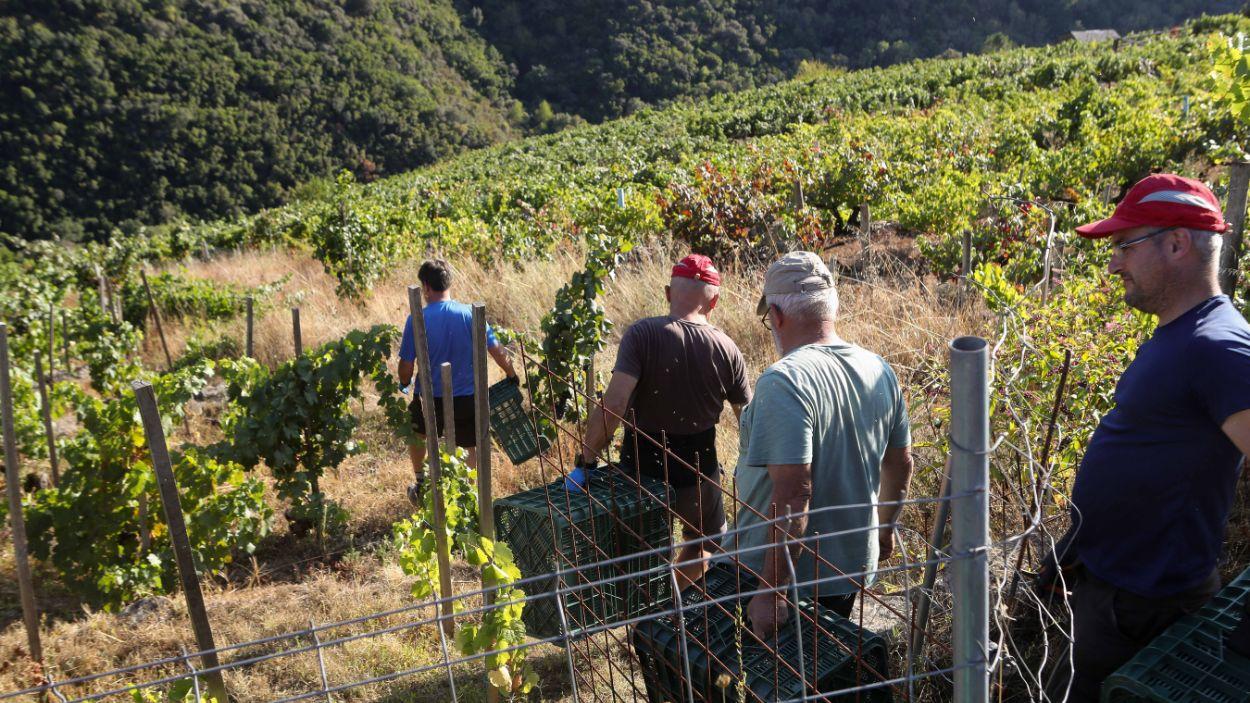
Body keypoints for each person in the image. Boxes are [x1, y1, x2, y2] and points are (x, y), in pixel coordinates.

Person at [1043, 174, 1250, 702]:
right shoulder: (1186, 334)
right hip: (1116, 588)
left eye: (1124, 247)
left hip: (1143, 606)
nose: (1114, 264)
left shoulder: (1218, 346)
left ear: (1177, 243)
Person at [728, 251, 913, 638]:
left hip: (784, 578)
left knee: (774, 680)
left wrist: (772, 591)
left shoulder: (784, 381)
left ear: (776, 317)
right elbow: (901, 464)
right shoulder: (880, 369)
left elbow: (795, 492)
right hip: (848, 567)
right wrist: (883, 530)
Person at [577, 253, 751, 588]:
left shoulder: (643, 334)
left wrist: (586, 460)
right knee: (705, 542)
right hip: (698, 468)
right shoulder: (728, 349)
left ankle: (649, 604)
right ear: (714, 302)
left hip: (641, 466)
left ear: (669, 293)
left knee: (642, 552)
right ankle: (670, 601)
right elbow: (749, 423)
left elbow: (613, 404)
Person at [399, 259, 517, 502]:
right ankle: (469, 494)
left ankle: (421, 483)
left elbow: (407, 366)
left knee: (416, 433)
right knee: (470, 445)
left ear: (426, 287)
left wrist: (404, 383)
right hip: (467, 398)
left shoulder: (417, 318)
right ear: (448, 284)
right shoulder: (470, 314)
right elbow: (497, 351)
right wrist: (512, 375)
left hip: (430, 401)